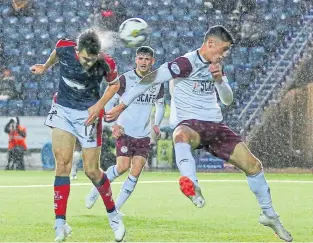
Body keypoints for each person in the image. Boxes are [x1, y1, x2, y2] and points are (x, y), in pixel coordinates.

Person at [105, 25, 293, 242]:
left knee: (254, 166)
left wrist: (220, 80)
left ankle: (269, 214)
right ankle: (191, 183)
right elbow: (150, 79)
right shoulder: (185, 63)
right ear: (210, 43)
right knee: (180, 135)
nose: (223, 55)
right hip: (191, 124)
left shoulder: (216, 66)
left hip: (216, 126)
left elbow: (227, 100)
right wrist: (121, 106)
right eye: (222, 50)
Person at [30, 29, 126, 242]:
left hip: (88, 114)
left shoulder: (105, 62)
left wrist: (99, 106)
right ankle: (60, 224)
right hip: (63, 109)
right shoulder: (64, 47)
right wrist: (46, 67)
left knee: (92, 171)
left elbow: (115, 85)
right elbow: (55, 51)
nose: (88, 64)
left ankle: (113, 215)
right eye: (84, 58)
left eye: (92, 60)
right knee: (62, 163)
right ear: (77, 50)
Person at [85, 46, 165, 210]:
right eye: (141, 58)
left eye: (147, 59)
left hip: (143, 135)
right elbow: (109, 101)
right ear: (136, 60)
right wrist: (114, 124)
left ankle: (115, 209)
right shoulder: (125, 79)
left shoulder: (157, 82)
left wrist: (156, 123)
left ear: (152, 61)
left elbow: (160, 105)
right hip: (125, 131)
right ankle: (96, 190)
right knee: (122, 167)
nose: (143, 62)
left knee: (136, 171)